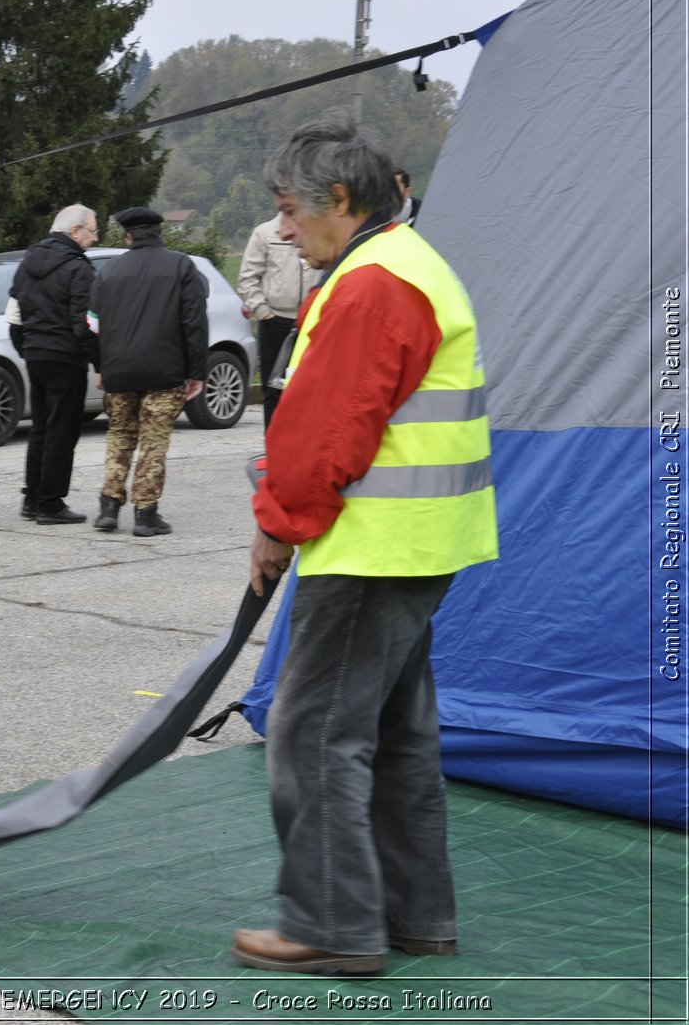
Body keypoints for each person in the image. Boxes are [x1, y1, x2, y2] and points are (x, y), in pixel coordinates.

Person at [234, 110, 497, 974]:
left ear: (339, 199)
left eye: (289, 209)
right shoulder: (410, 265)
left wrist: (276, 526)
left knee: (313, 734)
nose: (281, 228)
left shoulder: (372, 283)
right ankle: (415, 916)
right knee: (396, 735)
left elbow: (325, 433)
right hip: (423, 544)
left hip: (371, 548)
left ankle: (332, 924)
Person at [89, 207, 207, 536]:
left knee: (120, 436)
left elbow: (91, 324)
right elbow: (194, 322)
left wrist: (101, 366)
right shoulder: (181, 266)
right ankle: (145, 514)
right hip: (165, 372)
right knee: (153, 443)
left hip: (119, 372)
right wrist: (196, 371)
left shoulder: (109, 272)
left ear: (128, 236)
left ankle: (109, 509)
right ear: (159, 233)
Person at [9, 204, 98, 523]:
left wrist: (27, 348)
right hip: (65, 356)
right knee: (62, 431)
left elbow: (15, 316)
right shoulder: (79, 269)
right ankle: (50, 503)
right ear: (75, 232)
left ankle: (31, 499)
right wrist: (98, 361)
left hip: (35, 354)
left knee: (41, 428)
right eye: (92, 231)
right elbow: (84, 323)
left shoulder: (26, 263)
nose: (95, 238)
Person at [236, 212, 315, 428]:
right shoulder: (265, 232)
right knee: (273, 389)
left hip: (313, 320)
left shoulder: (316, 228)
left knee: (309, 389)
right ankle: (273, 450)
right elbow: (247, 278)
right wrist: (264, 312)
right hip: (276, 320)